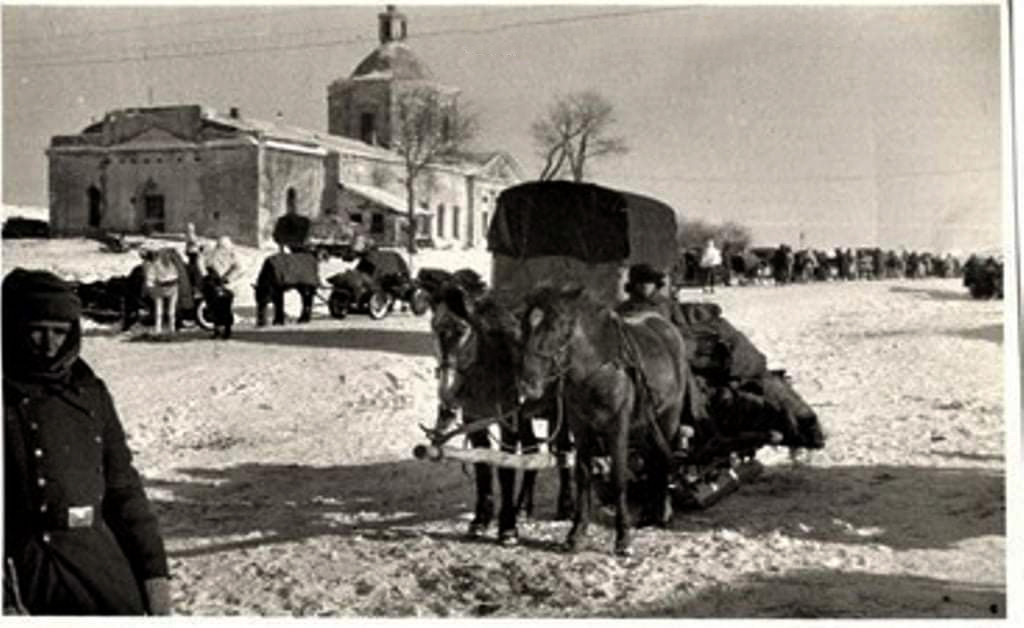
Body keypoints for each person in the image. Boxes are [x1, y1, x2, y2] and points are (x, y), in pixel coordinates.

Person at [2, 269, 171, 615]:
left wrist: (154, 572)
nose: (49, 344)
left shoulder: (90, 393)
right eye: (36, 331)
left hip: (99, 564)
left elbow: (123, 489)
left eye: (60, 332)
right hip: (26, 576)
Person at [202, 236, 240, 339]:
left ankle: (224, 330)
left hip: (225, 286)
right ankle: (221, 330)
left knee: (222, 309)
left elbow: (238, 268)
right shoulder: (218, 255)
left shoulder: (230, 255)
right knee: (219, 309)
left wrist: (227, 278)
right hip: (219, 286)